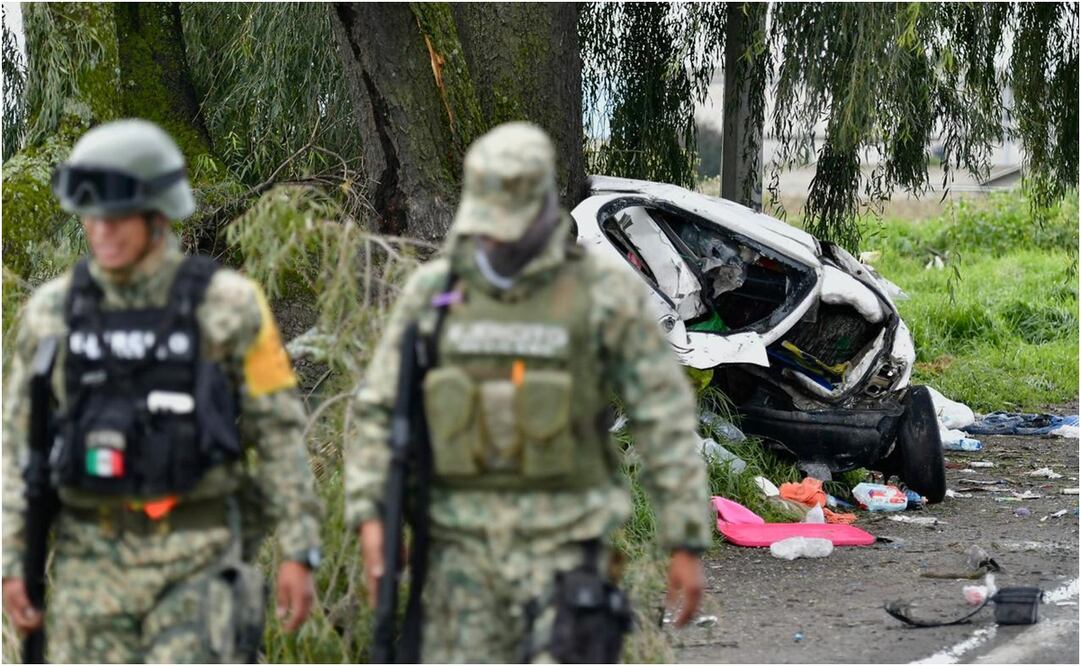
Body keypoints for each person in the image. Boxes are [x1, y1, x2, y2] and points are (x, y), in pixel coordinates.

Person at [346, 121, 711, 662]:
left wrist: (685, 537)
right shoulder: (436, 293)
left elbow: (664, 416)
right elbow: (379, 410)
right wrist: (372, 514)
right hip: (455, 566)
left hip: (563, 562)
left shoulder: (600, 294)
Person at [1, 119, 323, 662]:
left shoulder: (229, 306)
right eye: (89, 212)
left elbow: (279, 434)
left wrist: (299, 549)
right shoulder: (51, 315)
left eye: (117, 212)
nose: (100, 228)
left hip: (197, 563)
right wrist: (12, 558)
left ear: (157, 213)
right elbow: (15, 446)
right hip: (90, 569)